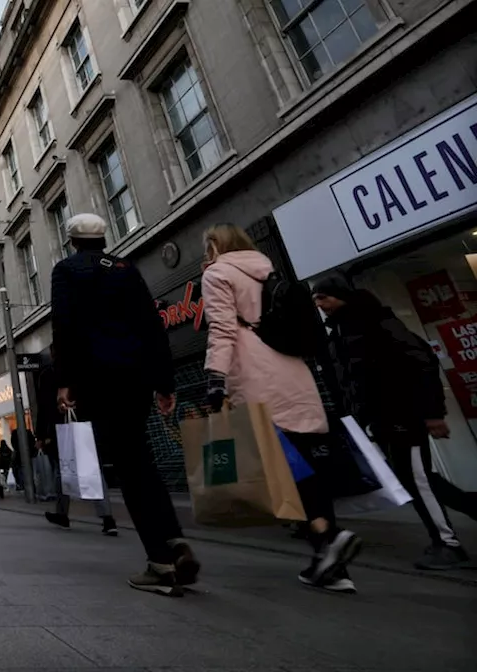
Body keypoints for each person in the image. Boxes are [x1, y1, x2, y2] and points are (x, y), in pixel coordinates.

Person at [203, 223, 361, 593]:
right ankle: (331, 564)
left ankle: (327, 536)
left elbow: (223, 331)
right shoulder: (270, 271)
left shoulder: (217, 275)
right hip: (294, 376)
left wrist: (214, 379)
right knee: (307, 465)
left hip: (256, 377)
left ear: (214, 245)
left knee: (285, 470)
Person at [50, 213, 196, 597]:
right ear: (102, 237)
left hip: (98, 378)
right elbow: (152, 324)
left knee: (130, 467)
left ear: (72, 241)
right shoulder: (125, 269)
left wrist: (65, 380)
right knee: (141, 458)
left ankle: (160, 562)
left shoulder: (66, 270)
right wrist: (164, 382)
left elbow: (64, 326)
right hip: (137, 376)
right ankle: (174, 541)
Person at [313, 276, 475, 571]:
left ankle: (448, 544)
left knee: (419, 479)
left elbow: (421, 361)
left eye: (323, 298)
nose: (320, 305)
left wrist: (432, 413)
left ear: (340, 296)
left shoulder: (375, 323)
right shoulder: (340, 331)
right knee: (417, 478)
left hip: (402, 415)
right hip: (383, 419)